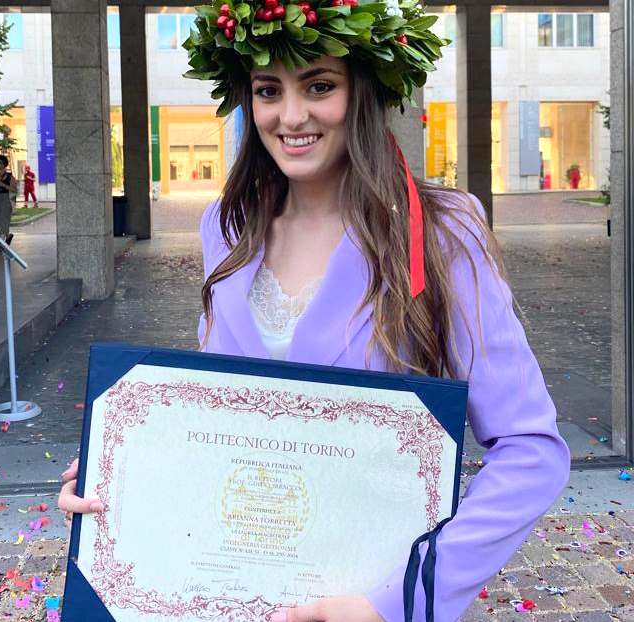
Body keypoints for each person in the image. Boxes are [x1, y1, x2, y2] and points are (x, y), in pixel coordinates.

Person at [59, 2, 570, 621]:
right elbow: (221, 414)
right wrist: (128, 462)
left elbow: (530, 449)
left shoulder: (442, 231)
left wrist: (400, 602)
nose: (291, 116)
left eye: (320, 86)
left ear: (362, 95)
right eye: (268, 90)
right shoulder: (224, 228)